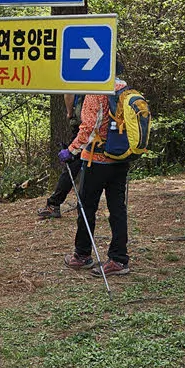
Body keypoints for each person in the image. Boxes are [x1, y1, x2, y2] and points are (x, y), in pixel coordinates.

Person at [64, 61, 132, 277]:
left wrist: (71, 150)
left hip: (97, 160)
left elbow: (89, 129)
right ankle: (119, 259)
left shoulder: (96, 92)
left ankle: (82, 255)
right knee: (117, 209)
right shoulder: (124, 90)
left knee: (86, 208)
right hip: (121, 158)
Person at [37, 93, 84, 219]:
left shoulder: (74, 76)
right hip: (103, 127)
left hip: (83, 126)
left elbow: (69, 92)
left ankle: (54, 204)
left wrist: (70, 113)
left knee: (72, 165)